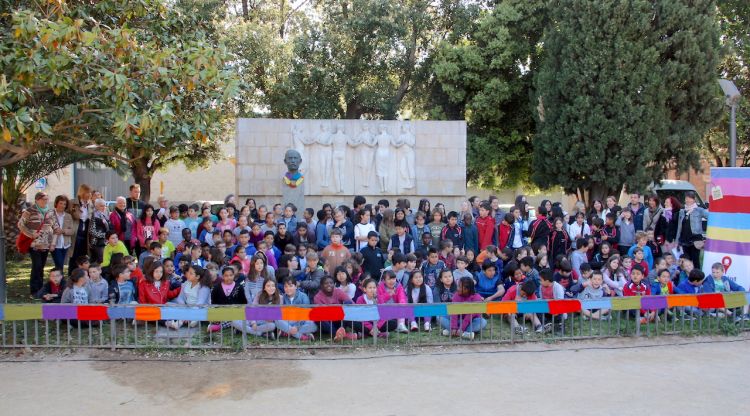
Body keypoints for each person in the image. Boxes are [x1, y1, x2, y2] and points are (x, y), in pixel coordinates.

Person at [18, 192, 61, 297]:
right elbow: (21, 225)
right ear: (37, 200)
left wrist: (53, 243)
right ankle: (34, 290)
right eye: (43, 199)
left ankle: (40, 289)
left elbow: (56, 228)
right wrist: (31, 234)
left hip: (46, 244)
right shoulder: (30, 211)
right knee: (36, 266)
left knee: (41, 267)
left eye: (47, 199)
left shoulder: (50, 212)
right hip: (34, 244)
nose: (45, 201)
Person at [166, 265, 212, 330]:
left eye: (191, 273)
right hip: (187, 307)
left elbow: (200, 304)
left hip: (200, 309)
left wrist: (189, 313)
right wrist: (184, 309)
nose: (188, 274)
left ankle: (187, 320)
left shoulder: (204, 287)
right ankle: (183, 321)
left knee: (196, 315)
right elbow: (180, 298)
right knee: (168, 304)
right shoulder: (185, 284)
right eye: (188, 272)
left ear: (197, 277)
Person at [314, 276, 357, 341]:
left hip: (339, 319)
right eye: (326, 283)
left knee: (348, 303)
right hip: (327, 322)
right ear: (321, 286)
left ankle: (340, 333)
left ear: (334, 284)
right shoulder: (317, 297)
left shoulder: (338, 291)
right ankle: (340, 335)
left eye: (331, 283)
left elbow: (351, 303)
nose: (329, 285)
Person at [207, 267, 248, 333]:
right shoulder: (216, 288)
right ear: (222, 276)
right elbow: (213, 303)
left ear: (234, 275)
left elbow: (243, 302)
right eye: (226, 275)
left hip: (235, 312)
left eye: (231, 275)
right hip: (221, 312)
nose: (229, 277)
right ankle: (234, 326)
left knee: (237, 317)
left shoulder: (239, 287)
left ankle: (219, 326)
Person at [276, 277, 317, 341]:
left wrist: (297, 327)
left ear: (296, 287)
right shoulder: (283, 297)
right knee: (277, 320)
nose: (288, 289)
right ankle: (302, 336)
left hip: (301, 321)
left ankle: (286, 332)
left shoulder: (303, 296)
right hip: (289, 321)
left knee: (312, 324)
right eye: (286, 287)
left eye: (290, 286)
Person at [675, 191, 708, 268]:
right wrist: (677, 241)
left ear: (694, 200)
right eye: (686, 198)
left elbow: (710, 216)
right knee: (686, 261)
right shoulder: (682, 211)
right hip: (684, 240)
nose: (688, 200)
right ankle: (688, 277)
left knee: (695, 260)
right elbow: (679, 227)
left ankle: (697, 277)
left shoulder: (699, 210)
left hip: (695, 240)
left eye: (690, 198)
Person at [68, 184, 94, 277]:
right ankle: (72, 276)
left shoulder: (90, 204)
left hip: (85, 233)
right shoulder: (73, 203)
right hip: (76, 232)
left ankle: (82, 275)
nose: (89, 195)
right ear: (82, 193)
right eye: (87, 193)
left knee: (84, 256)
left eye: (90, 193)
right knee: (74, 255)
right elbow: (68, 216)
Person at [50, 195, 75, 272]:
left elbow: (72, 231)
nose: (62, 206)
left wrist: (63, 231)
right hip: (55, 244)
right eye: (61, 203)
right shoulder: (50, 214)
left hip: (65, 244)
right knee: (59, 264)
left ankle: (59, 280)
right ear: (56, 203)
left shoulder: (68, 216)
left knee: (61, 265)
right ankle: (60, 281)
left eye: (64, 204)